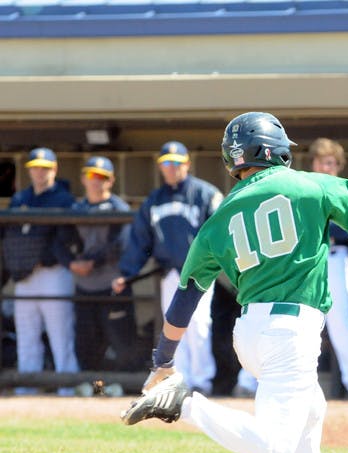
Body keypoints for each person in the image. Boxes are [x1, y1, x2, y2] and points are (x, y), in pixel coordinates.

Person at [120, 111, 348, 453]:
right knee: (274, 449)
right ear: (276, 148)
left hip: (250, 331)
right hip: (291, 330)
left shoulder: (221, 213)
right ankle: (185, 404)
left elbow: (185, 299)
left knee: (312, 410)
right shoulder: (312, 183)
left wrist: (163, 361)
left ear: (236, 160)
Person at [112, 141, 222, 395]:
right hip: (169, 273)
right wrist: (127, 273)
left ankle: (202, 381)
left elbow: (220, 232)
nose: (171, 168)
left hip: (200, 272)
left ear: (187, 164)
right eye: (166, 164)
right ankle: (178, 380)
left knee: (199, 324)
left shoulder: (205, 193)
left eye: (176, 163)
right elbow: (140, 240)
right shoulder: (154, 199)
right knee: (172, 326)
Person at [1, 147, 79, 395]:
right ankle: (28, 388)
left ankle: (67, 388)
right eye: (35, 167)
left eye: (44, 168)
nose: (39, 172)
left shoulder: (64, 199)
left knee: (60, 334)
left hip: (53, 273)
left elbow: (67, 240)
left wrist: (40, 255)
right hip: (25, 276)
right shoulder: (21, 198)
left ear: (54, 169)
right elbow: (10, 238)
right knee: (26, 334)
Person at [69, 157, 139, 395]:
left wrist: (93, 262)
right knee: (86, 342)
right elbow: (61, 240)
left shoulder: (119, 207)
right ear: (83, 179)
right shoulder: (77, 208)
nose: (95, 181)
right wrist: (71, 262)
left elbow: (121, 243)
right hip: (84, 286)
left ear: (111, 180)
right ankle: (93, 387)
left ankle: (126, 386)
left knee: (122, 341)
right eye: (91, 176)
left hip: (112, 285)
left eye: (101, 177)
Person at [309, 137, 348, 400]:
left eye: (332, 163)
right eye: (323, 162)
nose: (327, 168)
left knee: (341, 322)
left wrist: (325, 229)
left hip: (335, 258)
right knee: (292, 320)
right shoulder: (303, 188)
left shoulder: (345, 190)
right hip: (307, 261)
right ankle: (252, 381)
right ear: (314, 163)